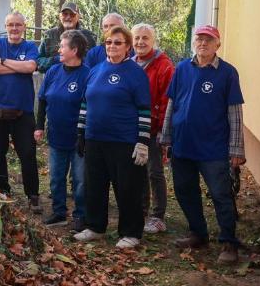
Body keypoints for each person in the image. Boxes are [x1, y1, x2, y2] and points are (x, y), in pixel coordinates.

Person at [160, 25, 245, 264]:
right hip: (183, 145)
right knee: (185, 191)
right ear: (193, 42)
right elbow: (171, 104)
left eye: (209, 40)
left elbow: (235, 113)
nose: (203, 43)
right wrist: (166, 136)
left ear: (218, 44)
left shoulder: (228, 73)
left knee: (221, 194)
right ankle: (198, 233)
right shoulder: (182, 69)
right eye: (199, 39)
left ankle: (229, 242)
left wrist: (237, 148)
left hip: (213, 148)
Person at [73, 26, 151, 248]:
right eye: (109, 42)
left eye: (118, 42)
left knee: (127, 188)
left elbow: (144, 110)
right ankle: (96, 227)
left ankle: (131, 232)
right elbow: (85, 103)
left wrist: (143, 142)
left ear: (127, 46)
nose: (112, 46)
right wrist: (81, 133)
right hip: (95, 139)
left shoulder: (136, 73)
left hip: (124, 141)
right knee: (94, 186)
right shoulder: (95, 70)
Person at [34, 30, 90, 231]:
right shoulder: (53, 72)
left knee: (80, 180)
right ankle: (59, 212)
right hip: (56, 136)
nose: (59, 49)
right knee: (56, 177)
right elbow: (42, 100)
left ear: (74, 50)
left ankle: (80, 216)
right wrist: (39, 126)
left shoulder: (87, 75)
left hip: (78, 139)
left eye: (62, 46)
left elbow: (90, 107)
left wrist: (84, 135)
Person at [0, 12, 40, 209]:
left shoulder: (30, 46)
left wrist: (4, 61)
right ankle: (3, 191)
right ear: (5, 26)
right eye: (10, 25)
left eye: (18, 25)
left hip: (22, 111)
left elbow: (30, 67)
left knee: (27, 153)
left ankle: (32, 195)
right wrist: (18, 66)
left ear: (24, 26)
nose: (14, 28)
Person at [131, 24, 174, 234]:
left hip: (154, 128)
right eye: (137, 38)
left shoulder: (164, 66)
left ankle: (158, 216)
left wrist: (161, 131)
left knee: (154, 172)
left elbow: (168, 101)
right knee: (138, 170)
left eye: (145, 38)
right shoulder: (130, 63)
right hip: (132, 127)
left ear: (153, 40)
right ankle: (141, 210)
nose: (140, 42)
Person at [36, 2, 96, 73]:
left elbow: (94, 62)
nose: (68, 17)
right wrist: (55, 60)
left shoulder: (89, 36)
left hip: (80, 79)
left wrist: (73, 60)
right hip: (54, 79)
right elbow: (38, 60)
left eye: (72, 14)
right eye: (65, 14)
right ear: (60, 16)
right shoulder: (49, 35)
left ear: (78, 17)